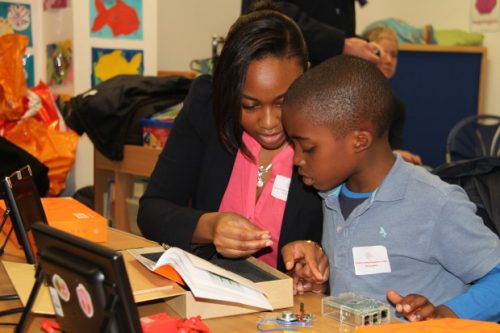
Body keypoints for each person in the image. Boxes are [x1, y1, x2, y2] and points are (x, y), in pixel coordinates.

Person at [280, 55, 500, 321]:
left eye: (308, 148)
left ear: (359, 141)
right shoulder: (329, 195)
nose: (297, 159)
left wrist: (444, 316)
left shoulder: (435, 202)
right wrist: (319, 280)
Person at [137, 7, 323, 273]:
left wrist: (316, 257)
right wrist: (210, 226)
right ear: (228, 89)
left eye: (283, 102)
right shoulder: (207, 108)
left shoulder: (328, 128)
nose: (269, 122)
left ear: (306, 76)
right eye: (249, 105)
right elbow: (151, 212)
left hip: (292, 306)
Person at [242, 0, 381, 66]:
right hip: (281, 69)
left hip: (330, 77)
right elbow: (266, 12)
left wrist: (366, 47)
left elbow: (339, 24)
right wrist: (341, 44)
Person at [362, 26, 422, 165]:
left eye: (394, 55)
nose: (389, 60)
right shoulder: (349, 100)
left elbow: (396, 148)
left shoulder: (397, 106)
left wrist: (398, 155)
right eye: (381, 53)